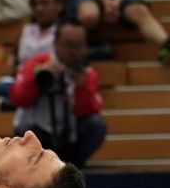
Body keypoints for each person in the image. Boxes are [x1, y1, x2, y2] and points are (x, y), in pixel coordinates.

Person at [10, 19, 108, 165]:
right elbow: (18, 98)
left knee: (97, 124)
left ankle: (74, 168)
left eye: (78, 46)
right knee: (25, 129)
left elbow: (88, 111)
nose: (73, 51)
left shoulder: (86, 72)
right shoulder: (37, 64)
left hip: (70, 136)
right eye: (68, 45)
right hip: (39, 132)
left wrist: (81, 86)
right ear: (55, 43)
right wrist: (36, 80)